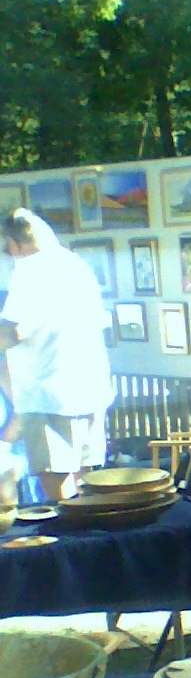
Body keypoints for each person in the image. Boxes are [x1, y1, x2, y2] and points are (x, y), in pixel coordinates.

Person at [0, 208, 114, 501]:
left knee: (60, 497)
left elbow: (13, 332)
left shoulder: (31, 269)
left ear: (14, 244)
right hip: (90, 388)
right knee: (88, 491)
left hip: (49, 397)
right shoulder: (75, 264)